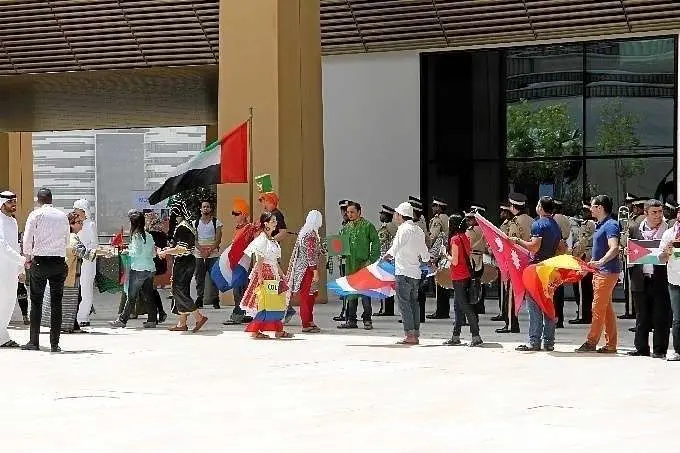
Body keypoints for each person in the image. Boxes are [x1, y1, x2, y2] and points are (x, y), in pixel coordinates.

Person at [22, 188, 70, 353]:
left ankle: (34, 342)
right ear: (51, 199)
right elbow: (67, 240)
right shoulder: (62, 216)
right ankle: (54, 344)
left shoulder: (35, 215)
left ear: (38, 200)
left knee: (36, 302)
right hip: (58, 262)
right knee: (57, 304)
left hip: (40, 262)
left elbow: (27, 239)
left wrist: (27, 259)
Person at [511, 196, 562, 352]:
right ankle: (549, 341)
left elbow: (534, 247)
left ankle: (534, 341)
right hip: (551, 268)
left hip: (537, 268)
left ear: (540, 207)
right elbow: (561, 248)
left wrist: (517, 241)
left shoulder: (538, 224)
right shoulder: (556, 225)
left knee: (534, 307)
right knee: (548, 304)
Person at [575, 195, 621, 353]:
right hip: (600, 271)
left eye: (592, 206)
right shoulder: (601, 225)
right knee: (606, 309)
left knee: (597, 308)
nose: (590, 209)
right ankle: (611, 344)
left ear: (600, 208)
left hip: (606, 272)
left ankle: (591, 342)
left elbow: (614, 248)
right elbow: (600, 250)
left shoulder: (610, 225)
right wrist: (590, 265)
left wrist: (601, 262)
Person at [627, 199, 671, 358]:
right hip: (640, 277)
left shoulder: (669, 230)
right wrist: (627, 252)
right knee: (641, 315)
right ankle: (641, 348)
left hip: (661, 278)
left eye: (660, 212)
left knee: (661, 316)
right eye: (654, 212)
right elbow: (627, 249)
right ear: (645, 213)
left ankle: (659, 350)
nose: (658, 216)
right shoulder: (634, 229)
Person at [240, 212, 293, 339]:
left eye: (275, 221)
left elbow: (275, 261)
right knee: (264, 303)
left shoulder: (272, 240)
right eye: (273, 221)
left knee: (276, 302)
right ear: (266, 224)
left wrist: (282, 275)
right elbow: (259, 260)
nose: (275, 223)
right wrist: (260, 278)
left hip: (273, 272)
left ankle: (278, 330)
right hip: (265, 274)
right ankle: (255, 330)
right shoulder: (262, 239)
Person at [158, 202, 208, 333]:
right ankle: (182, 323)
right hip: (188, 261)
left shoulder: (182, 228)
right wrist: (169, 249)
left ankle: (199, 317)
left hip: (183, 262)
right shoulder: (188, 225)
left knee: (177, 290)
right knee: (182, 291)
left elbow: (182, 248)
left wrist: (166, 252)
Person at [384, 202, 430, 345]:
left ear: (400, 216)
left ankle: (409, 335)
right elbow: (425, 254)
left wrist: (386, 256)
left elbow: (395, 248)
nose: (395, 216)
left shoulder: (403, 229)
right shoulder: (418, 230)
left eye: (396, 214)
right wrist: (428, 261)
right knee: (414, 304)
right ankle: (415, 333)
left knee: (404, 304)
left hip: (403, 273)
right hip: (415, 273)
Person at [110, 210, 158, 328]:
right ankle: (152, 320)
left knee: (131, 296)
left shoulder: (136, 235)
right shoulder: (149, 235)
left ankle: (122, 320)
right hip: (150, 268)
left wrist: (126, 251)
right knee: (148, 295)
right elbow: (153, 254)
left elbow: (136, 252)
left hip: (138, 269)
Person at [337, 201, 380, 330]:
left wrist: (371, 260)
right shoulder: (345, 228)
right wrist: (340, 253)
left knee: (365, 294)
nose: (349, 214)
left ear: (359, 212)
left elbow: (376, 244)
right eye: (348, 212)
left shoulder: (368, 226)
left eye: (352, 212)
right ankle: (351, 320)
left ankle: (367, 319)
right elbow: (341, 246)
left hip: (364, 264)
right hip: (350, 265)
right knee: (351, 292)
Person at [442, 213, 483, 347]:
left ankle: (476, 336)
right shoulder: (464, 236)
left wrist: (444, 254)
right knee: (459, 307)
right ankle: (455, 336)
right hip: (466, 275)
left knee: (464, 307)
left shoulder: (454, 239)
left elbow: (454, 260)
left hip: (458, 276)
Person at [285, 210, 325, 333]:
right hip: (307, 270)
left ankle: (310, 321)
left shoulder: (305, 233)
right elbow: (310, 255)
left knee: (310, 296)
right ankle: (306, 323)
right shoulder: (311, 235)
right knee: (307, 297)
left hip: (303, 269)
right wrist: (315, 271)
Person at [0, 191, 26, 348]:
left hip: (11, 268)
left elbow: (16, 245)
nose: (14, 204)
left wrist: (20, 268)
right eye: (11, 202)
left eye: (15, 201)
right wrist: (22, 260)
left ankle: (2, 335)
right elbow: (2, 246)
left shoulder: (13, 221)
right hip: (1, 267)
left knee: (9, 302)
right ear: (3, 204)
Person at [224, 198, 253, 325]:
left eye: (237, 213)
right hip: (238, 263)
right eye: (233, 213)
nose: (234, 216)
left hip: (244, 264)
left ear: (244, 214)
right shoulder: (239, 228)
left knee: (239, 289)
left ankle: (237, 315)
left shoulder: (249, 228)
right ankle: (244, 313)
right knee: (241, 289)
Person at [659, 207, 680, 361]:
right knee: (677, 319)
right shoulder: (668, 234)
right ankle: (678, 350)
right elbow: (661, 259)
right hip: (675, 280)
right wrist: (668, 251)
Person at [570, 202, 596, 324]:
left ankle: (583, 315)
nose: (583, 213)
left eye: (585, 210)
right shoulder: (594, 224)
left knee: (581, 289)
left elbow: (583, 242)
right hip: (589, 258)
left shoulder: (588, 224)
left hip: (584, 257)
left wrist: (574, 254)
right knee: (587, 289)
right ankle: (587, 313)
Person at [73, 199, 98, 327]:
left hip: (88, 262)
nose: (75, 213)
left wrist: (85, 251)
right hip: (77, 261)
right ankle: (78, 315)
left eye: (77, 210)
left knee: (86, 289)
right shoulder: (77, 224)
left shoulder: (90, 225)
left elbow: (94, 245)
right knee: (78, 289)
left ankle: (83, 317)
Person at [194, 200, 223, 309]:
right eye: (204, 207)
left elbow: (218, 239)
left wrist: (210, 250)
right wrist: (202, 250)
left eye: (208, 207)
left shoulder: (217, 222)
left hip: (213, 254)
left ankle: (216, 299)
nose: (206, 208)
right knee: (199, 277)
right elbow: (194, 239)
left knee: (215, 276)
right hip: (199, 254)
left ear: (210, 209)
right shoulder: (195, 223)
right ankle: (199, 298)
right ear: (201, 209)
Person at [427, 196, 451, 319]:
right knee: (443, 282)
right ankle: (444, 310)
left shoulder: (438, 219)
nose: (432, 208)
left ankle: (441, 311)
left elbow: (433, 236)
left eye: (434, 206)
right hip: (445, 252)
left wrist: (427, 250)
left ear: (438, 207)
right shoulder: (447, 218)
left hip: (439, 253)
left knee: (438, 283)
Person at [145, 211, 168, 324]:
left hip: (152, 264)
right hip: (160, 264)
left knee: (151, 290)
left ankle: (159, 312)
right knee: (152, 289)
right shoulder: (162, 233)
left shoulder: (151, 234)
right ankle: (160, 312)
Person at [552, 199, 572, 328]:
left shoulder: (553, 220)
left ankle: (555, 317)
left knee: (553, 289)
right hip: (563, 253)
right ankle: (560, 318)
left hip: (554, 253)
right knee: (560, 288)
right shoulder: (566, 219)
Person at [465, 205, 487, 315]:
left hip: (472, 259)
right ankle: (479, 306)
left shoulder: (471, 230)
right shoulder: (485, 229)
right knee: (479, 283)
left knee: (470, 285)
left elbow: (466, 245)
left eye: (470, 219)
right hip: (480, 259)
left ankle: (473, 308)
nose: (468, 221)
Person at [376, 204, 397, 317]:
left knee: (385, 285)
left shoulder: (386, 228)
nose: (381, 216)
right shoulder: (392, 226)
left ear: (386, 216)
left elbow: (379, 243)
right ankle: (388, 309)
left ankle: (386, 309)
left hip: (385, 259)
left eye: (382, 214)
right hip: (390, 259)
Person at [333, 199, 351, 322]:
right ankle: (345, 311)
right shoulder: (344, 224)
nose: (344, 212)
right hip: (343, 260)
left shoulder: (353, 224)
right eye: (342, 210)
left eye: (346, 210)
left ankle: (348, 313)